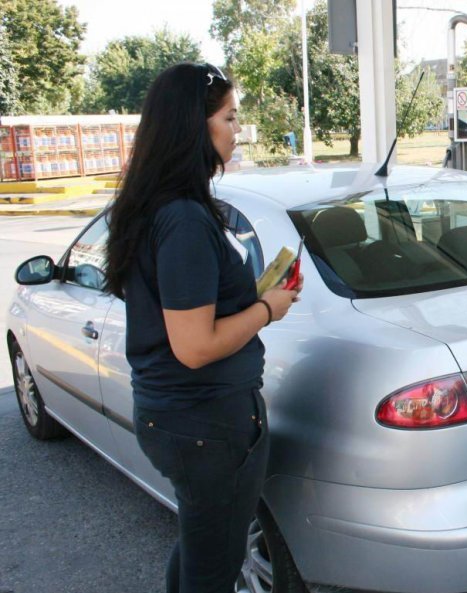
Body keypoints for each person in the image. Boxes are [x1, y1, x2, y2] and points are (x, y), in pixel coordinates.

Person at [104, 63, 301, 593]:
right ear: (196, 126)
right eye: (230, 118)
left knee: (204, 545)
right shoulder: (184, 218)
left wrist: (253, 293)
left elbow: (194, 307)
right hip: (202, 423)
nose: (238, 130)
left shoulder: (163, 207)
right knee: (213, 566)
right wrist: (267, 310)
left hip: (189, 418)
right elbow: (193, 346)